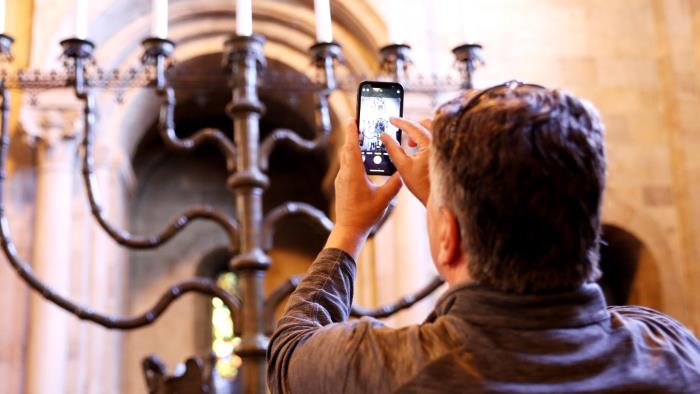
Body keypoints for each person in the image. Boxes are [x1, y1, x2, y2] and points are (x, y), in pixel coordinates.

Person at [266, 81, 700, 393]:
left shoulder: (384, 370)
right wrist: (454, 202)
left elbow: (288, 354)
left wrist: (349, 229)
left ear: (448, 238)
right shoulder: (672, 350)